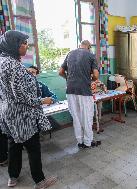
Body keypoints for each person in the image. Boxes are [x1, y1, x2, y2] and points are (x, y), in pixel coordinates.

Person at [0, 30, 57, 188]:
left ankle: (12, 177)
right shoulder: (14, 66)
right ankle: (40, 181)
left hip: (7, 112)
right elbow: (21, 96)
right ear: (14, 45)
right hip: (22, 115)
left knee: (14, 145)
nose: (26, 47)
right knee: (33, 147)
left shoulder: (2, 61)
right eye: (23, 44)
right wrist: (42, 100)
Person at [59, 40, 101, 148]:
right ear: (89, 47)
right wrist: (89, 79)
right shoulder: (91, 55)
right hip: (84, 91)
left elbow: (60, 72)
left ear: (80, 46)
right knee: (87, 116)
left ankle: (80, 142)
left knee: (76, 117)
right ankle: (88, 142)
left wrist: (69, 79)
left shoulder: (70, 54)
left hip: (70, 90)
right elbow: (96, 75)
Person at [27, 66, 60, 131]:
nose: (30, 74)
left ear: (36, 75)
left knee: (55, 126)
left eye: (33, 72)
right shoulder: (20, 86)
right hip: (27, 114)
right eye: (28, 71)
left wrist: (50, 100)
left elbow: (55, 97)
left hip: (39, 112)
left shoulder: (41, 85)